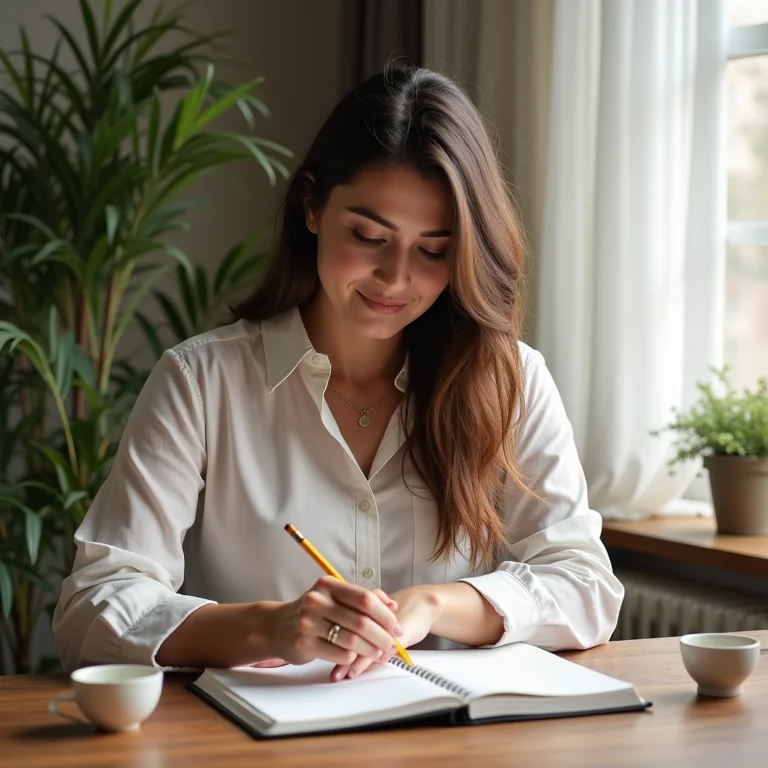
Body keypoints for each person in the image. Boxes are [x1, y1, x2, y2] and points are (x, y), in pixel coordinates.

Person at [53, 64, 623, 681]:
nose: (396, 278)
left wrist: (434, 605)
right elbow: (94, 605)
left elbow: (586, 584)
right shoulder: (202, 382)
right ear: (312, 208)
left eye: (433, 250)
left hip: (447, 725)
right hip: (253, 729)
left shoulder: (510, 381)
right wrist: (269, 626)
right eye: (369, 236)